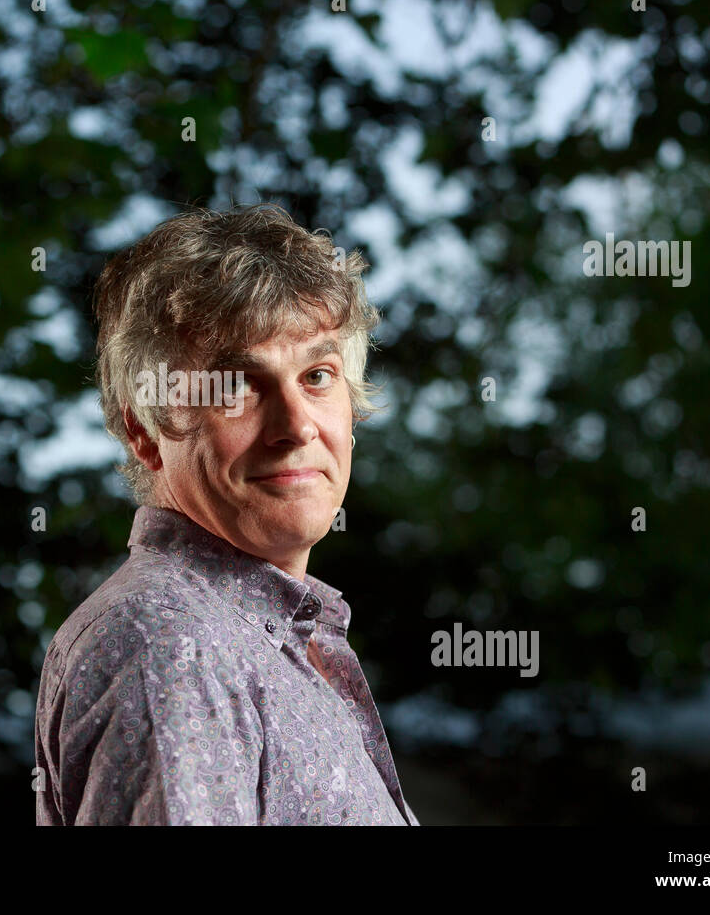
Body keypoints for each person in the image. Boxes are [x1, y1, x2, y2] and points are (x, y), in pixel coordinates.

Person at [33, 202, 420, 825]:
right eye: (238, 385)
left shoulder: (251, 633)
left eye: (317, 375)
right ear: (146, 431)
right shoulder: (171, 646)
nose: (296, 426)